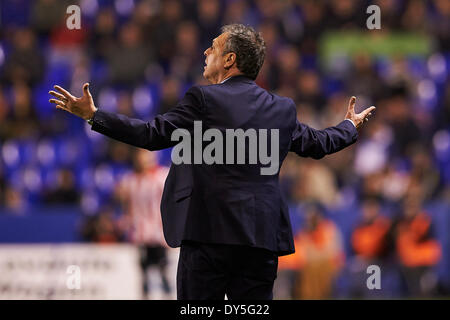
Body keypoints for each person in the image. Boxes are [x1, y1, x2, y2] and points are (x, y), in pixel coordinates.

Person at [49, 24, 375, 300]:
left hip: (208, 237)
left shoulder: (203, 99)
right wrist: (349, 126)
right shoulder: (282, 108)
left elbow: (150, 135)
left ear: (229, 60)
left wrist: (94, 116)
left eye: (213, 48)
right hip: (260, 240)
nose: (206, 53)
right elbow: (318, 144)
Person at [115, 149, 171, 299]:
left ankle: (168, 296)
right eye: (141, 155)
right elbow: (124, 202)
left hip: (159, 234)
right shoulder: (130, 180)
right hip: (140, 235)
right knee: (144, 272)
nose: (143, 159)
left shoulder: (162, 176)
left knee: (163, 270)